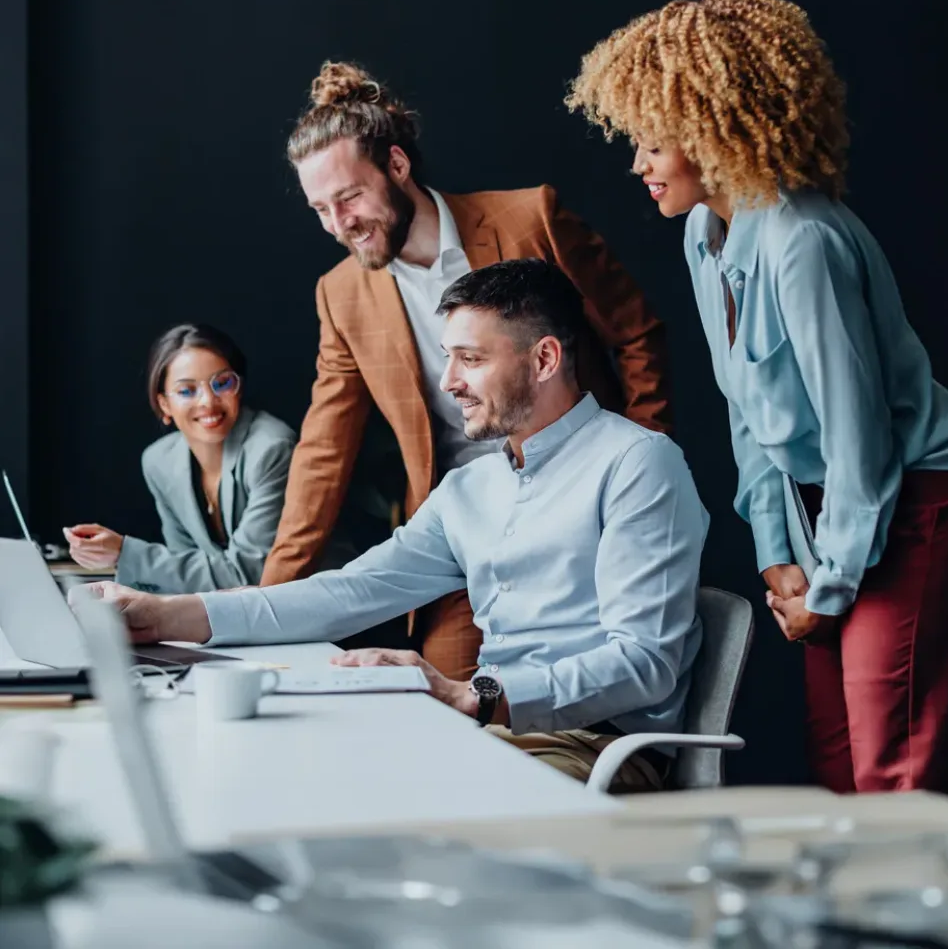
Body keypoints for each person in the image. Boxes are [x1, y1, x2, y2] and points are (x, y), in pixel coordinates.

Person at [566, 0, 948, 796]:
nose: (637, 165)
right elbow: (748, 413)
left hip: (920, 496)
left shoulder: (802, 239)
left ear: (708, 129)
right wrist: (777, 555)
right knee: (834, 755)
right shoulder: (707, 237)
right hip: (832, 512)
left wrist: (831, 584)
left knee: (891, 763)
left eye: (652, 143)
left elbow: (858, 436)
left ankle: (905, 922)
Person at [92, 261, 706, 790]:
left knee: (398, 799)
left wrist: (479, 694)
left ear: (544, 358)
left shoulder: (638, 464)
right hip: (494, 728)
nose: (449, 382)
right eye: (448, 358)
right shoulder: (472, 486)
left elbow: (643, 661)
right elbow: (349, 592)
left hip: (596, 749)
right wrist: (167, 614)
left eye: (471, 359)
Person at [260, 60, 672, 682]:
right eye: (320, 208)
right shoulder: (340, 294)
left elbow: (637, 332)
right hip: (460, 533)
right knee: (444, 720)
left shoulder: (531, 219)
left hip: (580, 510)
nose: (339, 225)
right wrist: (269, 605)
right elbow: (323, 449)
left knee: (581, 701)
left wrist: (637, 463)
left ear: (397, 165)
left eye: (349, 196)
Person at [65, 324, 297, 593]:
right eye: (187, 390)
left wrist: (125, 554)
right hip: (236, 615)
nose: (208, 402)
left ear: (239, 388)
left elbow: (247, 572)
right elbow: (185, 569)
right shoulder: (159, 461)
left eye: (222, 383)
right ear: (164, 405)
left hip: (307, 613)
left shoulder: (272, 449)